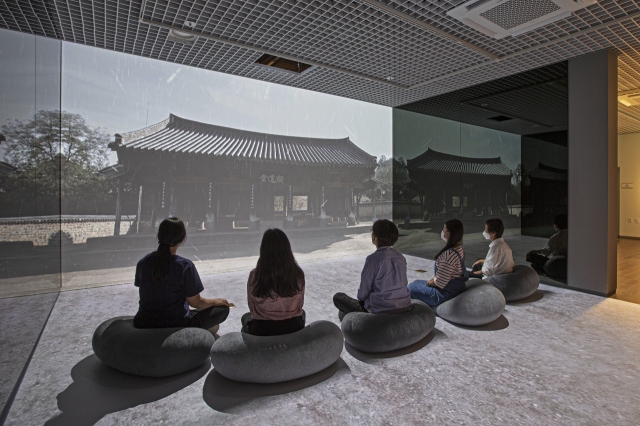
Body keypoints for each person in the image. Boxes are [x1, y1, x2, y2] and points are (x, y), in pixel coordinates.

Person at [133, 217, 230, 333]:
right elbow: (196, 302)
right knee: (222, 309)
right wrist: (216, 302)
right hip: (175, 323)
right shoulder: (185, 266)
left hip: (144, 321)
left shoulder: (143, 262)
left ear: (159, 236)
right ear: (181, 239)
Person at [333, 219, 412, 317]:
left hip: (379, 310)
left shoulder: (373, 259)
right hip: (404, 306)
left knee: (338, 297)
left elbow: (362, 295)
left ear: (375, 238)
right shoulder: (400, 257)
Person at [242, 228, 306, 336]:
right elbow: (300, 304)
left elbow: (252, 306)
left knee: (245, 318)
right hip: (292, 326)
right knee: (302, 314)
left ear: (263, 250)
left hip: (262, 329)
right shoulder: (297, 274)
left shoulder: (255, 275)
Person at [408, 219, 469, 307]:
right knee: (416, 282)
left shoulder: (449, 254)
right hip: (455, 289)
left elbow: (440, 283)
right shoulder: (458, 249)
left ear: (449, 233)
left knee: (410, 288)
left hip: (444, 294)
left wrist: (430, 283)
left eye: (444, 229)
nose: (442, 231)